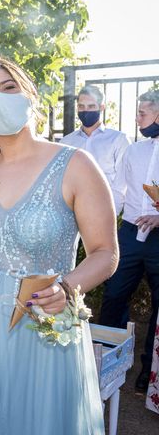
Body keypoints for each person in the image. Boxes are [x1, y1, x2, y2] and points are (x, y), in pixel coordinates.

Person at [0, 58, 117, 434]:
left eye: (9, 88)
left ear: (30, 94)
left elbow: (106, 252)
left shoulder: (76, 165)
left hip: (42, 319)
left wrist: (67, 288)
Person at [103, 89, 159, 393]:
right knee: (114, 295)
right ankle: (105, 358)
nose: (138, 119)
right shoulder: (134, 150)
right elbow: (118, 191)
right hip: (128, 233)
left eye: (142, 113)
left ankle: (149, 371)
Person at [60, 85, 129, 190]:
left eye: (91, 106)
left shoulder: (118, 140)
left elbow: (122, 183)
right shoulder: (65, 142)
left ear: (102, 107)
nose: (85, 110)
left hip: (107, 203)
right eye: (81, 106)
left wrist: (111, 206)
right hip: (72, 204)